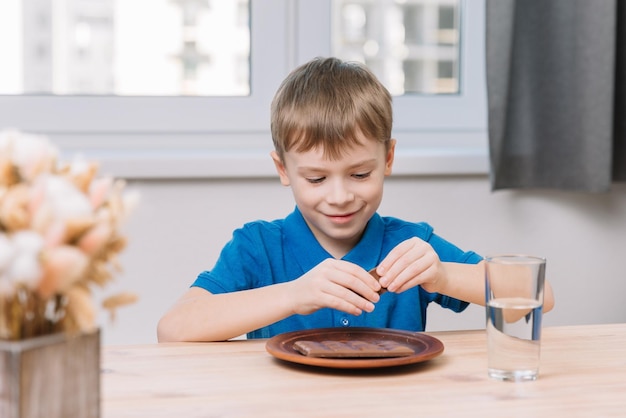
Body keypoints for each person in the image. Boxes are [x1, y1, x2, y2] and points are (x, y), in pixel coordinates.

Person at [157, 57, 555, 342]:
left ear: (388, 159)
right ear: (283, 170)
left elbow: (538, 296)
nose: (340, 196)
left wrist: (443, 276)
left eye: (360, 174)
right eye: (315, 178)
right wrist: (293, 294)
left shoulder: (409, 245)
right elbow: (173, 328)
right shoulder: (257, 247)